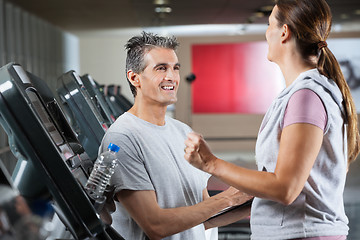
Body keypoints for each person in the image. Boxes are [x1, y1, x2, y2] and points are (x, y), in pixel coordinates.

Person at [184, 0, 360, 239]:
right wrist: (192, 223)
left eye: (269, 25)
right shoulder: (302, 94)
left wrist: (211, 164)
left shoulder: (307, 96)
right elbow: (281, 188)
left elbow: (285, 188)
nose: (267, 33)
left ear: (284, 32)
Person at [99, 31, 252, 240]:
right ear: (134, 78)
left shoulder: (183, 132)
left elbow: (203, 217)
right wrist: (228, 199)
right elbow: (155, 225)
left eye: (175, 68)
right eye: (161, 68)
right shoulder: (123, 138)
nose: (171, 77)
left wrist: (250, 202)